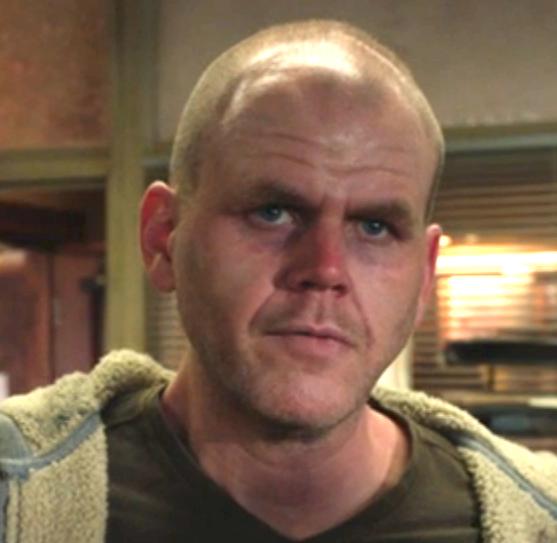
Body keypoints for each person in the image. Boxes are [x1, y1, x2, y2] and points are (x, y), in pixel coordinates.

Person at [0, 19, 556, 543]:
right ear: (163, 238)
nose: (325, 270)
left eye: (375, 227)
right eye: (273, 213)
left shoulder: (536, 520)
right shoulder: (18, 497)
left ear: (424, 276)